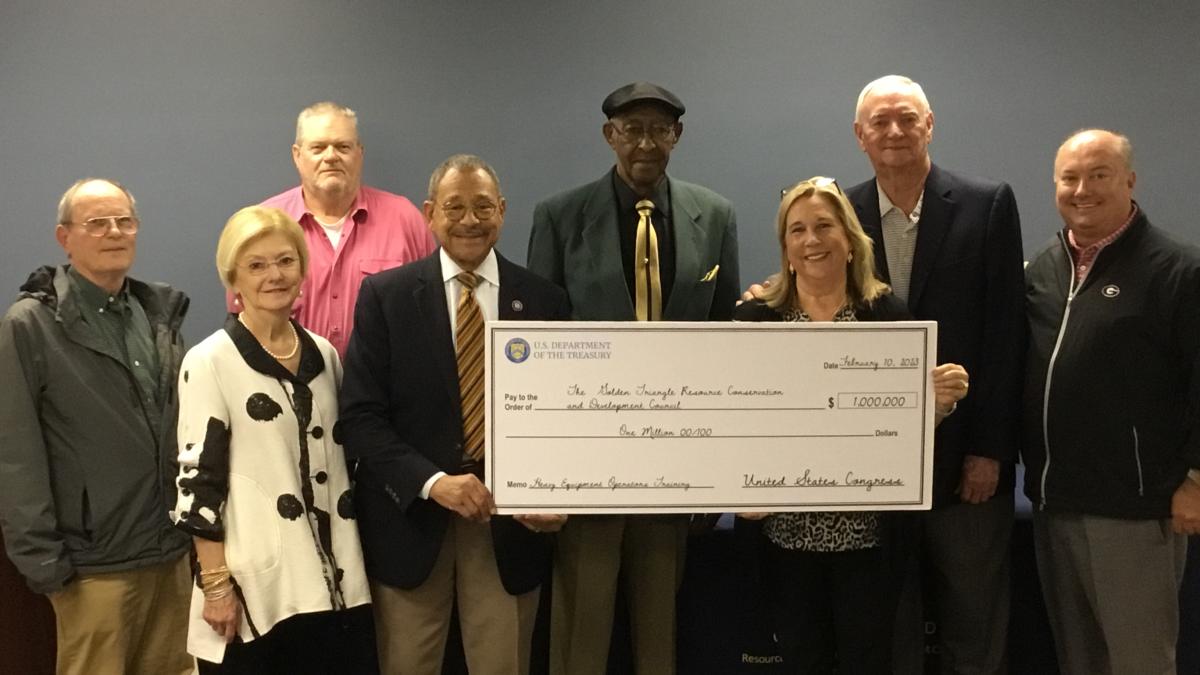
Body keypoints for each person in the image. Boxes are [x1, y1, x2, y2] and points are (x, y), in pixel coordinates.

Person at [527, 81, 740, 675]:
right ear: (610, 137)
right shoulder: (560, 216)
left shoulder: (714, 215)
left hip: (675, 465)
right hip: (587, 464)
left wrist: (713, 472)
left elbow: (725, 344)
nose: (645, 142)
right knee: (583, 631)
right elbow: (539, 351)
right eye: (631, 129)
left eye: (659, 130)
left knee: (660, 631)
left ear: (677, 136)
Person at [340, 154, 570, 674]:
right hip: (413, 522)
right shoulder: (387, 297)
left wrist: (558, 495)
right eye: (455, 207)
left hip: (511, 526)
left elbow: (563, 417)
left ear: (503, 211)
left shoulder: (544, 300)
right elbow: (360, 417)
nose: (470, 220)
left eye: (483, 206)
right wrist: (432, 481)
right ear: (429, 213)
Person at [736, 176, 969, 673]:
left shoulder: (888, 316)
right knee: (802, 659)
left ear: (849, 239)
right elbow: (731, 425)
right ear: (785, 247)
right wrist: (735, 488)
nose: (811, 240)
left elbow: (903, 431)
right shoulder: (756, 319)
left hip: (868, 540)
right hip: (784, 538)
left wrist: (938, 404)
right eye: (796, 230)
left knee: (869, 659)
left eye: (824, 226)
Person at [1023, 129, 1200, 675]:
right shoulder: (1042, 270)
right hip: (1055, 504)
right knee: (1080, 660)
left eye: (1098, 175)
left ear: (1129, 180)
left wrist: (1195, 478)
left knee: (1139, 660)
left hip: (1134, 507)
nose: (1083, 189)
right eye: (1069, 178)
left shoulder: (1178, 271)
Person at [0, 178, 193, 675]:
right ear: (65, 237)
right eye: (97, 223)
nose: (114, 232)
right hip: (91, 568)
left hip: (170, 556)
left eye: (124, 221)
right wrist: (42, 562)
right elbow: (15, 454)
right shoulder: (30, 326)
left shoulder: (157, 316)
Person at [173, 206, 374, 673]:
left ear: (303, 271)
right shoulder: (210, 362)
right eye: (257, 265)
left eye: (285, 261)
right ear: (233, 280)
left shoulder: (324, 354)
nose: (274, 275)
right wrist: (217, 586)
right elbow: (197, 486)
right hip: (257, 591)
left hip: (338, 583)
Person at [239, 101, 435, 356]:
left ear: (360, 153)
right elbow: (241, 320)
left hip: (384, 389)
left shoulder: (405, 220)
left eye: (343, 147)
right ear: (297, 155)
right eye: (318, 147)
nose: (330, 156)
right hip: (287, 385)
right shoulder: (263, 225)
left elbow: (431, 312)